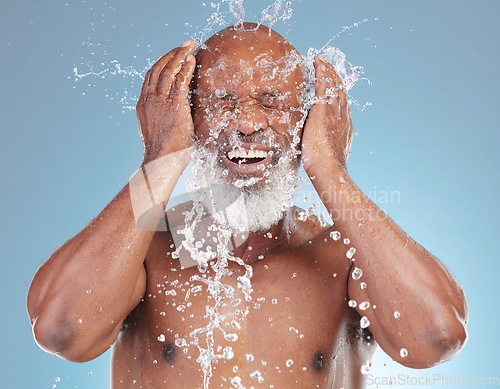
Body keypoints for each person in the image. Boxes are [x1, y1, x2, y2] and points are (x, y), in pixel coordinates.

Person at [27, 23, 468, 388]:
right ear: (186, 115)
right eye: (222, 100)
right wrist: (159, 161)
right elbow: (62, 331)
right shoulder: (144, 247)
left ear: (308, 121)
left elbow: (435, 338)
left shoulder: (342, 255)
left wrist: (331, 170)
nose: (248, 122)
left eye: (274, 101)